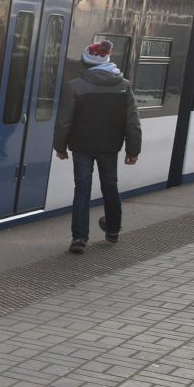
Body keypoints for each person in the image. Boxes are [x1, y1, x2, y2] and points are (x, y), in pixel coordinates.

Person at [55, 38, 142, 253]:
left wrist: (60, 146)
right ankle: (112, 231)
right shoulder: (124, 87)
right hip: (109, 146)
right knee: (110, 186)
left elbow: (64, 120)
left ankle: (79, 239)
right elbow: (132, 121)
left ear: (87, 63)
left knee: (82, 190)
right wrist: (133, 150)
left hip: (82, 146)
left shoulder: (75, 86)